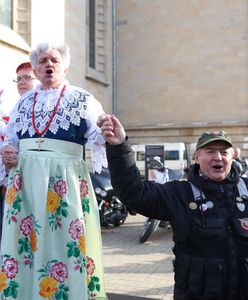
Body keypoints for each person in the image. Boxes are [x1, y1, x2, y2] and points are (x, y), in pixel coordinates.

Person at [98, 114, 248, 300]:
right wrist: (119, 147)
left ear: (232, 157)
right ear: (196, 156)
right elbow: (134, 193)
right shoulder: (179, 193)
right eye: (210, 151)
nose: (218, 157)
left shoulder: (246, 190)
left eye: (224, 152)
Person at [0, 42, 107, 299]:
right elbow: (11, 140)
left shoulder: (82, 99)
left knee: (64, 244)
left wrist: (109, 130)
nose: (49, 64)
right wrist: (8, 153)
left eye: (55, 60)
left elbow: (100, 137)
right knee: (24, 245)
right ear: (35, 69)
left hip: (64, 183)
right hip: (25, 184)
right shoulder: (23, 103)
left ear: (66, 67)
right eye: (42, 61)